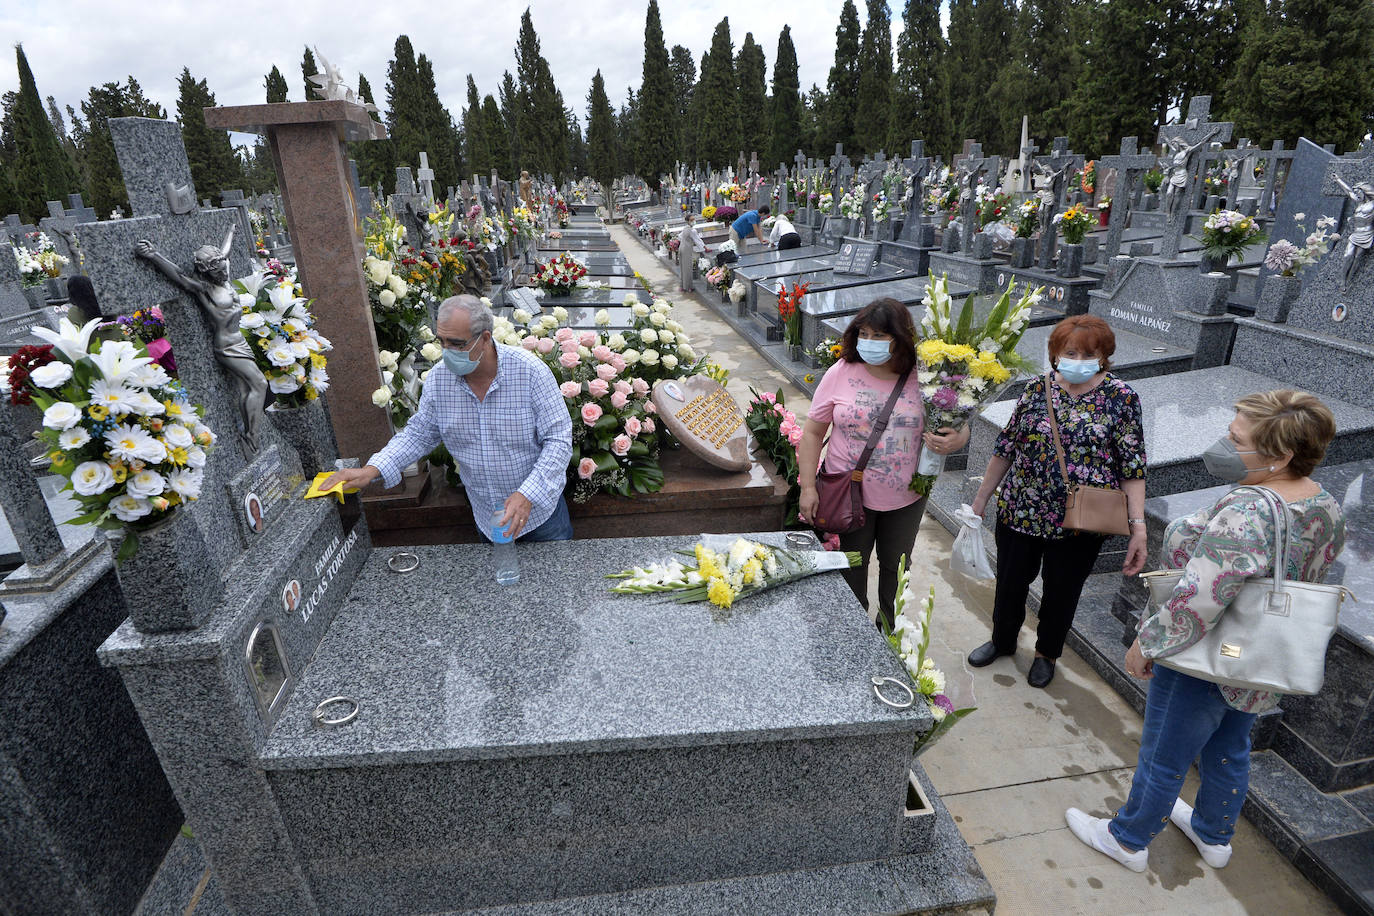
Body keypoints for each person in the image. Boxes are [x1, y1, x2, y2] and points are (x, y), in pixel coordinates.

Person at [1067, 390, 1346, 874]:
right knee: (1231, 745)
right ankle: (1214, 836)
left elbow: (1201, 595)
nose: (1224, 443)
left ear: (1280, 455)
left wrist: (1147, 641)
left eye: (1236, 438)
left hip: (1207, 653)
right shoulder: (1325, 504)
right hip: (1261, 656)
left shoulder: (1250, 510)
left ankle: (1127, 839)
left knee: (1164, 754)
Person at [966, 315, 1148, 688]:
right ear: (1055, 353)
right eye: (1070, 352)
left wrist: (1138, 526)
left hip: (1082, 521)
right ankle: (1002, 640)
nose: (1077, 359)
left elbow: (1132, 467)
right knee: (1011, 583)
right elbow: (1006, 448)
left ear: (1103, 356)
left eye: (1088, 353)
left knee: (1062, 591)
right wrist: (981, 499)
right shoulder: (1036, 389)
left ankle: (1046, 653)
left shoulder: (1122, 398)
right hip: (1021, 510)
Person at [323, 295, 574, 542]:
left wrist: (527, 495)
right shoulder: (439, 380)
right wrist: (371, 470)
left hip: (540, 518)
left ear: (485, 338)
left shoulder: (530, 372)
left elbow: (558, 440)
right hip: (488, 517)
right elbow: (419, 435)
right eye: (442, 342)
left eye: (457, 344)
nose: (447, 352)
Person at [797, 298, 969, 631]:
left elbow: (958, 422)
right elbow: (813, 432)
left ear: (900, 338)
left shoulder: (926, 375)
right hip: (848, 492)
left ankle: (889, 626)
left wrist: (956, 439)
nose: (869, 343)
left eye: (879, 336)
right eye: (863, 334)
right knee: (852, 565)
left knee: (896, 565)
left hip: (906, 495)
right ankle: (853, 628)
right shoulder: (840, 372)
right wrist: (807, 487)